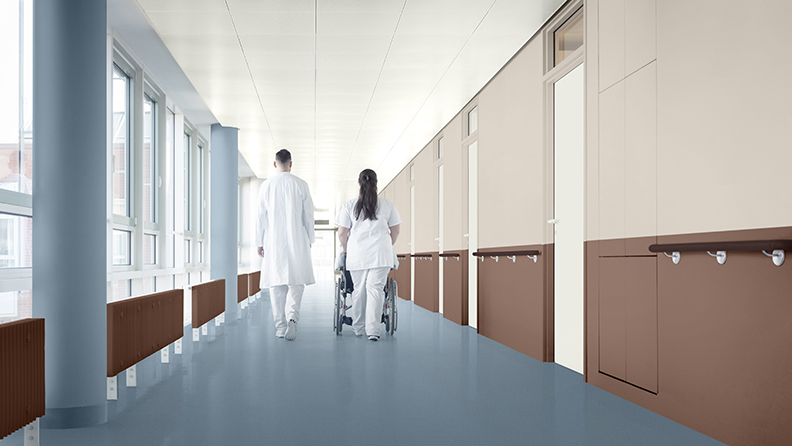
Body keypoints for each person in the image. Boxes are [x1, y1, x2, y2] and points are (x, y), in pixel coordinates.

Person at [336, 169, 401, 341]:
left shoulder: (350, 205)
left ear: (359, 184)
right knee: (375, 289)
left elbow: (342, 233)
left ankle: (358, 327)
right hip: (381, 254)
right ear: (376, 184)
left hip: (357, 254)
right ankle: (373, 331)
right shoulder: (387, 205)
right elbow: (395, 230)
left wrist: (345, 248)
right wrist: (388, 245)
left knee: (359, 290)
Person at [256, 149, 315, 340]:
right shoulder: (301, 184)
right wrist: (310, 239)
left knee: (276, 284)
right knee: (296, 283)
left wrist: (259, 241)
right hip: (297, 238)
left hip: (273, 240)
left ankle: (280, 327)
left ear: (275, 164)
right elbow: (308, 216)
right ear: (291, 164)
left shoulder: (266, 186)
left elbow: (260, 217)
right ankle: (292, 318)